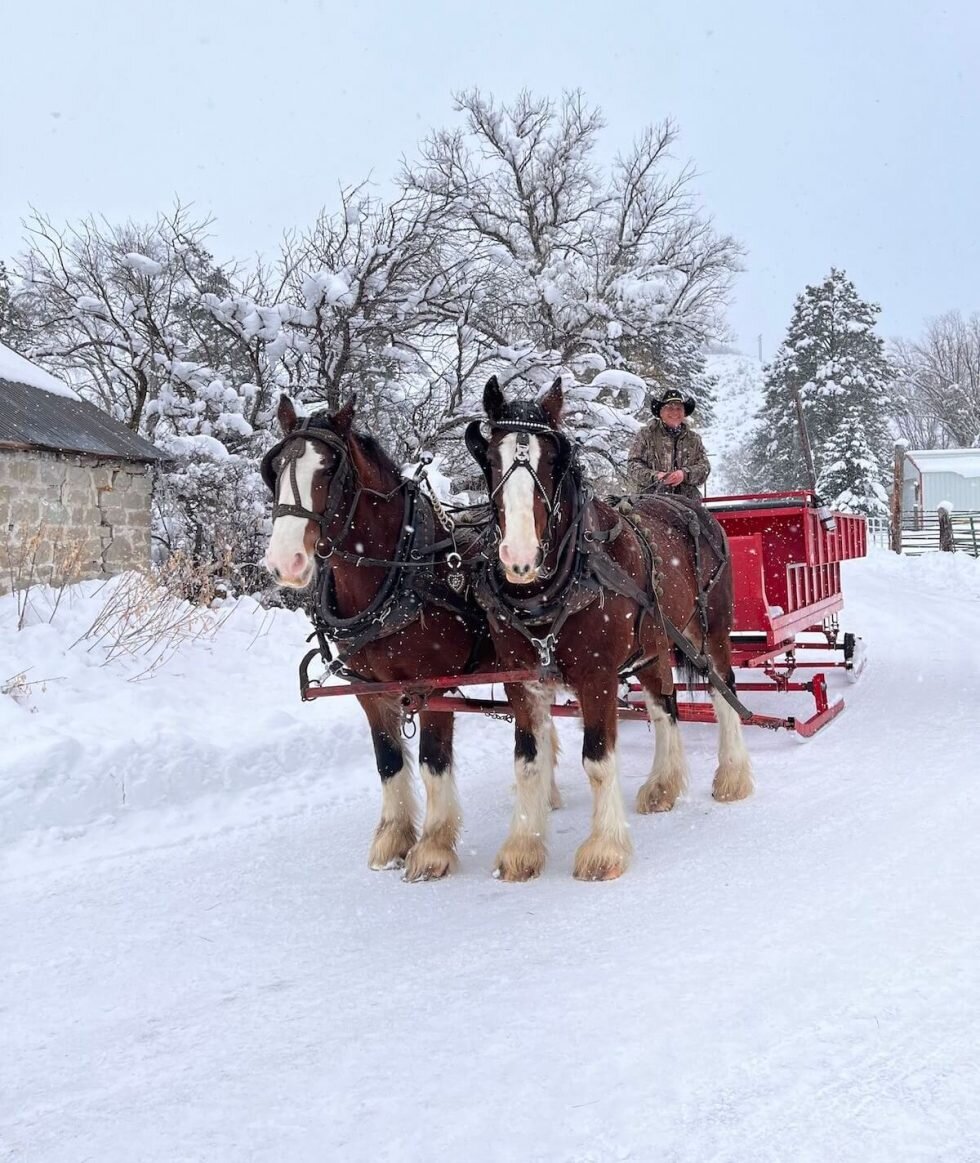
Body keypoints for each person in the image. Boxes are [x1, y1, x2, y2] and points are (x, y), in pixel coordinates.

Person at [626, 388, 710, 502]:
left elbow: (704, 468)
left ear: (684, 413)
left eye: (679, 408)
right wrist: (656, 477)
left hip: (688, 503)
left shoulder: (694, 439)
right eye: (670, 408)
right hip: (650, 502)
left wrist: (684, 474)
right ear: (660, 412)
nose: (675, 412)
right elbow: (633, 466)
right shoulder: (645, 435)